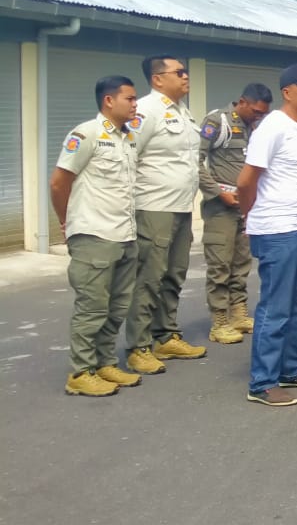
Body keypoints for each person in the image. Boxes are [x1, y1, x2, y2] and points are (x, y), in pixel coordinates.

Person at [238, 63, 297, 406]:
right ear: (287, 92)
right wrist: (251, 216)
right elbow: (246, 181)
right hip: (279, 228)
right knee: (275, 307)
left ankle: (292, 369)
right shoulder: (272, 127)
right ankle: (262, 382)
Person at [51, 76, 142, 396]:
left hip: (124, 233)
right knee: (92, 307)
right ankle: (80, 372)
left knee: (117, 306)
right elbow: (59, 183)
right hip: (93, 233)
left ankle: (105, 363)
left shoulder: (128, 136)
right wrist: (68, 222)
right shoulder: (86, 134)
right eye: (130, 99)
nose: (135, 104)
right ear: (109, 101)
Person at [125, 54, 205, 375]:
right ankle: (138, 346)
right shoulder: (145, 111)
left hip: (181, 207)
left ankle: (166, 335)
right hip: (153, 207)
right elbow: (128, 157)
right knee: (149, 277)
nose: (186, 76)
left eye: (186, 72)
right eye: (179, 72)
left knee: (174, 273)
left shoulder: (183, 113)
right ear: (158, 79)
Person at [198, 83, 273, 345]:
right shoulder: (217, 121)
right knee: (220, 263)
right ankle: (219, 320)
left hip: (246, 206)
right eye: (255, 111)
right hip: (220, 207)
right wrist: (217, 192)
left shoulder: (258, 128)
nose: (258, 116)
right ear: (242, 102)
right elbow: (195, 161)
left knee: (241, 263)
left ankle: (238, 312)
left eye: (262, 113)